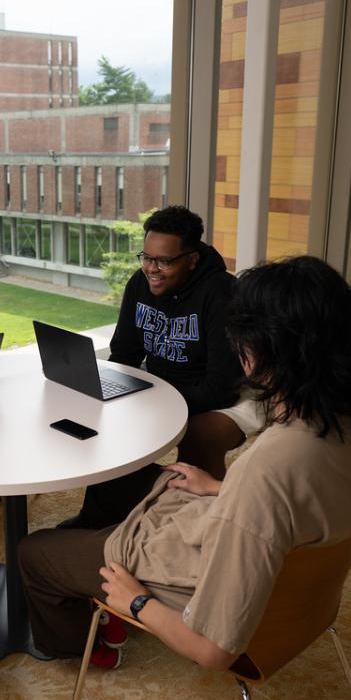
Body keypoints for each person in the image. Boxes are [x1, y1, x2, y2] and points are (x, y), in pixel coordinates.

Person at [19, 255, 351, 670]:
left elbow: (213, 649)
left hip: (196, 575)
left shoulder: (271, 468)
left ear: (261, 349)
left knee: (34, 553)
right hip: (260, 545)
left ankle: (85, 647)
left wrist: (138, 601)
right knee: (118, 482)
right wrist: (223, 488)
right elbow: (313, 495)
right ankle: (93, 571)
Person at [61, 205, 258, 530]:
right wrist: (113, 393)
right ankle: (100, 517)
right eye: (146, 257)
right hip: (163, 388)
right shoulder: (140, 283)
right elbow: (124, 353)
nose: (151, 269)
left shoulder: (223, 293)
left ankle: (198, 528)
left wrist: (155, 404)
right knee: (111, 416)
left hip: (231, 396)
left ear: (192, 259)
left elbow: (221, 387)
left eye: (164, 261)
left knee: (199, 435)